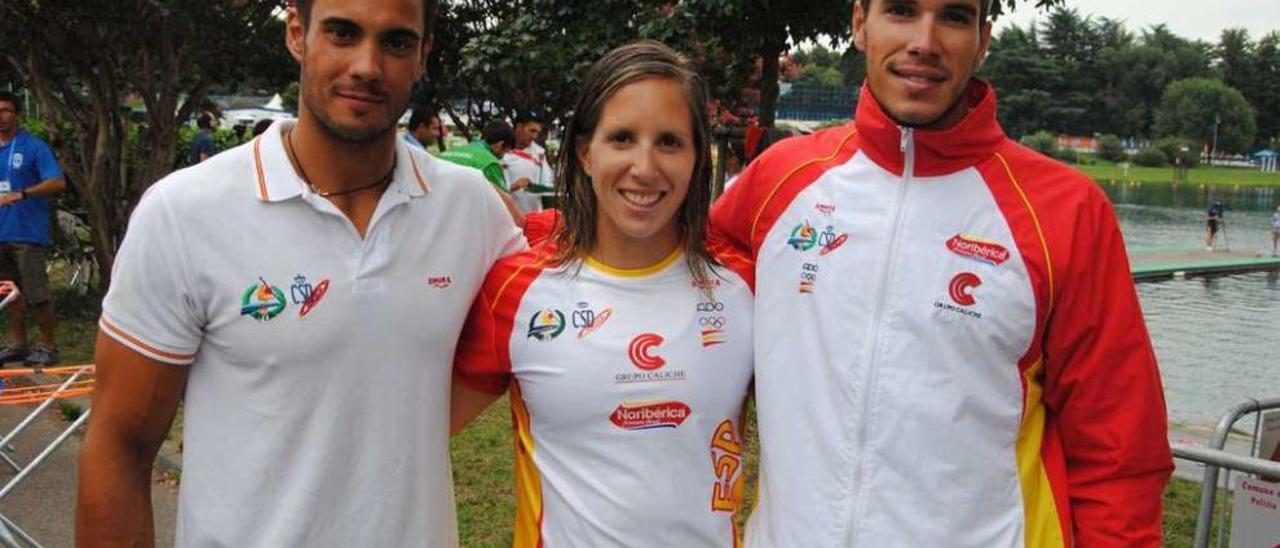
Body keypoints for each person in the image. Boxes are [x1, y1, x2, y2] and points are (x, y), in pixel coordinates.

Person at [709, 0, 1173, 545]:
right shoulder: (781, 181)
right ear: (860, 24)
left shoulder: (1066, 213)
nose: (924, 42)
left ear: (983, 38)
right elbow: (669, 289)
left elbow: (1120, 454)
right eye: (901, 11)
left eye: (953, 16)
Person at [76, 0, 524, 545]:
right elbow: (119, 445)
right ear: (296, 34)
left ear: (424, 54)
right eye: (341, 32)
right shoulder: (185, 212)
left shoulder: (471, 210)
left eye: (397, 42)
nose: (367, 64)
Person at [451, 40, 754, 547]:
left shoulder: (745, 285)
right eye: (622, 138)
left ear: (698, 157)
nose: (645, 166)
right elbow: (413, 432)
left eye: (670, 142)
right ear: (585, 153)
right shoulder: (515, 289)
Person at [0, 90, 67, 368]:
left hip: (26, 232)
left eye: (5, 110)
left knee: (37, 293)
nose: (1, 117)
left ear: (17, 115)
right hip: (1, 234)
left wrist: (22, 194)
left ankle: (48, 346)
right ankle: (18, 344)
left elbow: (57, 182)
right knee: (8, 293)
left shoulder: (33, 147)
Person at [439, 119, 526, 225]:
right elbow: (503, 207)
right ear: (500, 145)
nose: (503, 156)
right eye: (505, 151)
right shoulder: (489, 163)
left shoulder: (446, 154)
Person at [503, 111, 555, 212]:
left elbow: (547, 183)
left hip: (532, 217)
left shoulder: (539, 153)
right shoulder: (501, 151)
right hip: (506, 215)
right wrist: (514, 186)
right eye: (532, 131)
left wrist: (537, 188)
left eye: (537, 132)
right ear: (519, 127)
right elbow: (492, 186)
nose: (535, 136)